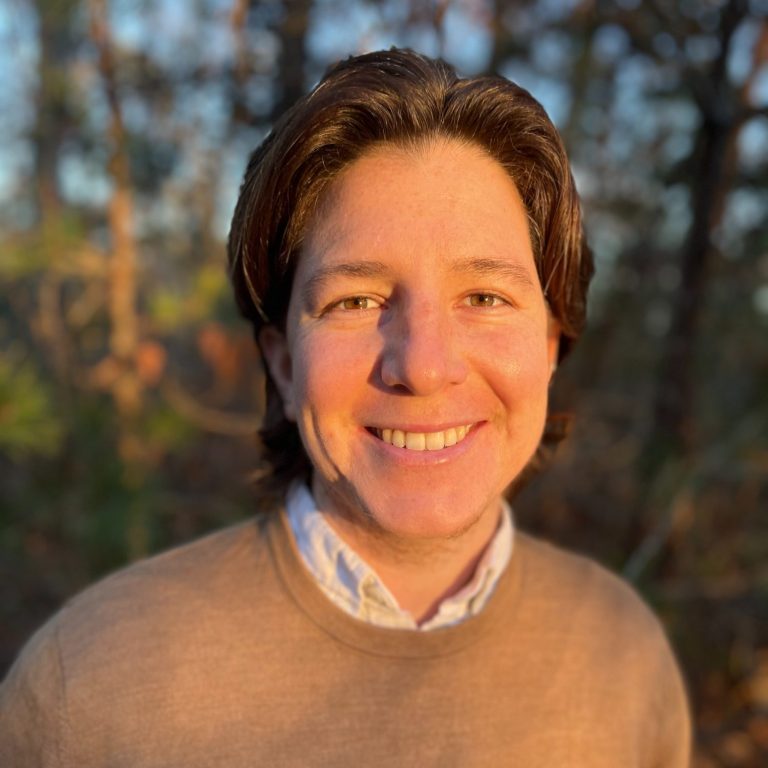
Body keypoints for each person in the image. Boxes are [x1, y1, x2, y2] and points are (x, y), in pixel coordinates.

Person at [0, 48, 691, 766]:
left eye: (485, 297)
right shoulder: (88, 691)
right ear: (283, 362)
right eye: (356, 301)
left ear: (549, 346)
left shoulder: (623, 655)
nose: (423, 366)